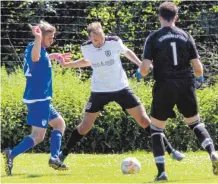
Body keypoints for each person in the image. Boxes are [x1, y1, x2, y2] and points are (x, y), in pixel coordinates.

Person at [56, 22, 184, 164]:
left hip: (121, 88)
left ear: (104, 34)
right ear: (90, 38)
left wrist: (140, 64)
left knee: (144, 120)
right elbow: (88, 61)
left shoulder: (114, 42)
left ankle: (171, 151)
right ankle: (61, 156)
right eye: (95, 40)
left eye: (100, 39)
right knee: (85, 126)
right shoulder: (86, 47)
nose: (98, 42)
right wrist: (68, 65)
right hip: (99, 91)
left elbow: (127, 52)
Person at [137, 2, 218, 182]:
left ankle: (161, 173)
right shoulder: (186, 36)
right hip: (186, 84)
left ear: (160, 17)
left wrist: (141, 72)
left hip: (164, 86)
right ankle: (212, 153)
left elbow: (144, 69)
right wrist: (199, 79)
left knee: (156, 130)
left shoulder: (153, 38)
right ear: (176, 17)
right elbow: (198, 68)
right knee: (195, 124)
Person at [3, 20, 72, 176]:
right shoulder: (36, 48)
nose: (52, 40)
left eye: (53, 37)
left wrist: (54, 56)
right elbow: (35, 58)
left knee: (59, 123)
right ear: (41, 37)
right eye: (50, 37)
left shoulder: (35, 48)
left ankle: (54, 157)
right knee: (38, 136)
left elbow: (39, 57)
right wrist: (38, 37)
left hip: (39, 98)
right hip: (39, 99)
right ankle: (11, 154)